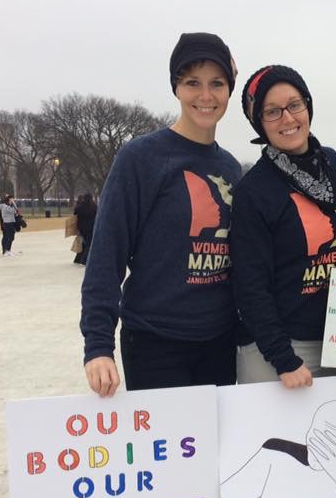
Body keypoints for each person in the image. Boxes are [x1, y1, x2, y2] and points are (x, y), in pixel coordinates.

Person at [81, 32, 242, 396]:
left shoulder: (230, 168)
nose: (205, 96)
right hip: (156, 342)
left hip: (218, 342)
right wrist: (98, 345)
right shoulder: (141, 157)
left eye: (217, 84)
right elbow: (107, 253)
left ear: (229, 90)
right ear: (176, 88)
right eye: (192, 83)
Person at [232, 65, 336, 388]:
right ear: (259, 122)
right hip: (278, 350)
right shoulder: (253, 191)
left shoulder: (330, 164)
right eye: (272, 112)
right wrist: (283, 358)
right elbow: (250, 286)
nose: (287, 118)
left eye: (294, 104)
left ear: (307, 106)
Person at [221, 400, 336, 498]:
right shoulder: (275, 454)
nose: (321, 447)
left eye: (333, 440)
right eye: (316, 434)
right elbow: (228, 491)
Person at [73, 193, 97, 265]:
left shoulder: (79, 207)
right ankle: (85, 260)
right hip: (91, 227)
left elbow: (75, 216)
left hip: (81, 227)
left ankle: (78, 259)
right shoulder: (94, 207)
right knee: (89, 243)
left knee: (83, 243)